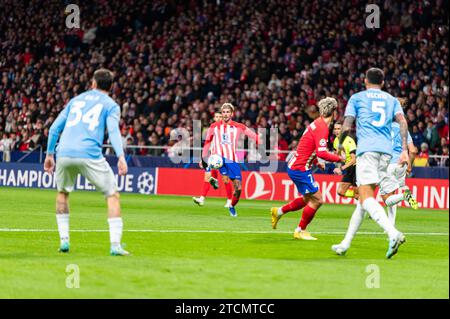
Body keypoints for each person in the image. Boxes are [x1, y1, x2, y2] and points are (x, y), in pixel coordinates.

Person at [44, 68, 129, 256]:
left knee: (62, 193)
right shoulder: (111, 105)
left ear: (93, 83)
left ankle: (64, 241)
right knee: (112, 195)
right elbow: (113, 131)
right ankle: (115, 245)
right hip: (89, 153)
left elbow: (53, 129)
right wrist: (121, 156)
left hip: (64, 152)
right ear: (111, 86)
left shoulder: (75, 101)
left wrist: (50, 154)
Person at [332, 67, 409, 259]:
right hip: (386, 153)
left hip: (367, 151)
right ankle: (345, 244)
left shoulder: (357, 98)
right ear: (382, 83)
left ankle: (393, 234)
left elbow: (347, 124)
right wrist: (405, 150)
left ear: (365, 81)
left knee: (366, 198)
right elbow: (403, 122)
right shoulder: (391, 100)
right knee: (362, 202)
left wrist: (340, 145)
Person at [271, 97, 345, 240]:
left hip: (297, 164)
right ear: (334, 112)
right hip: (300, 168)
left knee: (307, 198)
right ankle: (300, 230)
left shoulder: (316, 123)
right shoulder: (322, 128)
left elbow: (308, 145)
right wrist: (340, 159)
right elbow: (322, 152)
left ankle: (278, 211)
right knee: (318, 200)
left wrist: (316, 162)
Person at [201, 103, 261, 217]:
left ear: (232, 113)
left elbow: (252, 135)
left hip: (232, 159)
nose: (225, 114)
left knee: (238, 188)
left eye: (227, 112)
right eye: (223, 112)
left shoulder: (238, 126)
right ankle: (212, 176)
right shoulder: (214, 126)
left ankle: (231, 205)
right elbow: (207, 142)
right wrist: (203, 157)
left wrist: (260, 141)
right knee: (215, 163)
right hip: (218, 157)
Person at [193, 111, 233, 207]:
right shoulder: (211, 130)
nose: (218, 118)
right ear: (214, 118)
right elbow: (207, 144)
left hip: (223, 157)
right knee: (207, 177)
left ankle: (229, 200)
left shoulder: (227, 129)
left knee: (226, 179)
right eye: (217, 117)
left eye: (220, 116)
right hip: (212, 157)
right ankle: (202, 199)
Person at [332, 121, 358, 199]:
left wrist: (341, 168)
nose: (337, 131)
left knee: (357, 194)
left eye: (339, 129)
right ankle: (360, 196)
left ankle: (360, 196)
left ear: (342, 130)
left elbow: (354, 159)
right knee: (340, 192)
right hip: (349, 168)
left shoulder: (349, 140)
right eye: (335, 129)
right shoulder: (336, 141)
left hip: (357, 168)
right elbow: (338, 156)